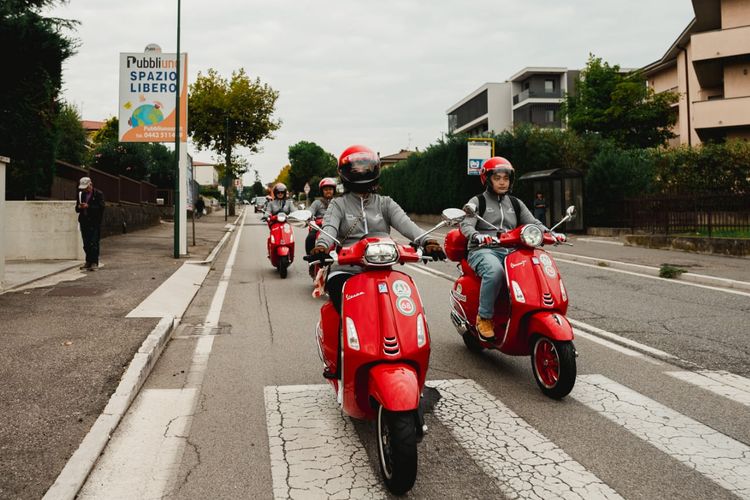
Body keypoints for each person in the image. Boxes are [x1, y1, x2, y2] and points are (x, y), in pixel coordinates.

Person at [311, 144, 445, 315]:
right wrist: (322, 245)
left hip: (382, 270)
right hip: (345, 269)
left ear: (374, 168)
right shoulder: (338, 204)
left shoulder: (385, 203)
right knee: (342, 299)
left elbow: (407, 224)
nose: (361, 171)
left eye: (365, 166)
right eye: (355, 168)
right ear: (345, 171)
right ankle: (343, 332)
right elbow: (329, 228)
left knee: (404, 306)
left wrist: (427, 241)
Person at [459, 157, 544, 342]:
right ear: (487, 179)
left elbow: (533, 223)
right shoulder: (477, 201)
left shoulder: (515, 203)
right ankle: (484, 318)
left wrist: (551, 233)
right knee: (495, 272)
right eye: (497, 178)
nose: (502, 182)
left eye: (506, 178)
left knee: (535, 268)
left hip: (511, 251)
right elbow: (466, 224)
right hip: (483, 250)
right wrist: (476, 235)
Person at [75, 176, 105, 271]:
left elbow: (101, 207)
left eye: (86, 187)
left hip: (94, 222)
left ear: (90, 185)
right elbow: (77, 209)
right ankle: (88, 261)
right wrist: (80, 207)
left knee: (94, 242)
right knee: (86, 242)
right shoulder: (81, 194)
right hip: (84, 221)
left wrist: (89, 206)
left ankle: (94, 262)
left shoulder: (98, 194)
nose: (85, 189)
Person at [305, 177, 337, 255]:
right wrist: (309, 216)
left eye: (330, 189)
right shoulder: (317, 202)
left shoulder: (337, 202)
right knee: (310, 237)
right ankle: (310, 256)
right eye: (326, 190)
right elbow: (310, 211)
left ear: (334, 190)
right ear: (322, 191)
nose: (328, 191)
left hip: (335, 225)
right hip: (318, 226)